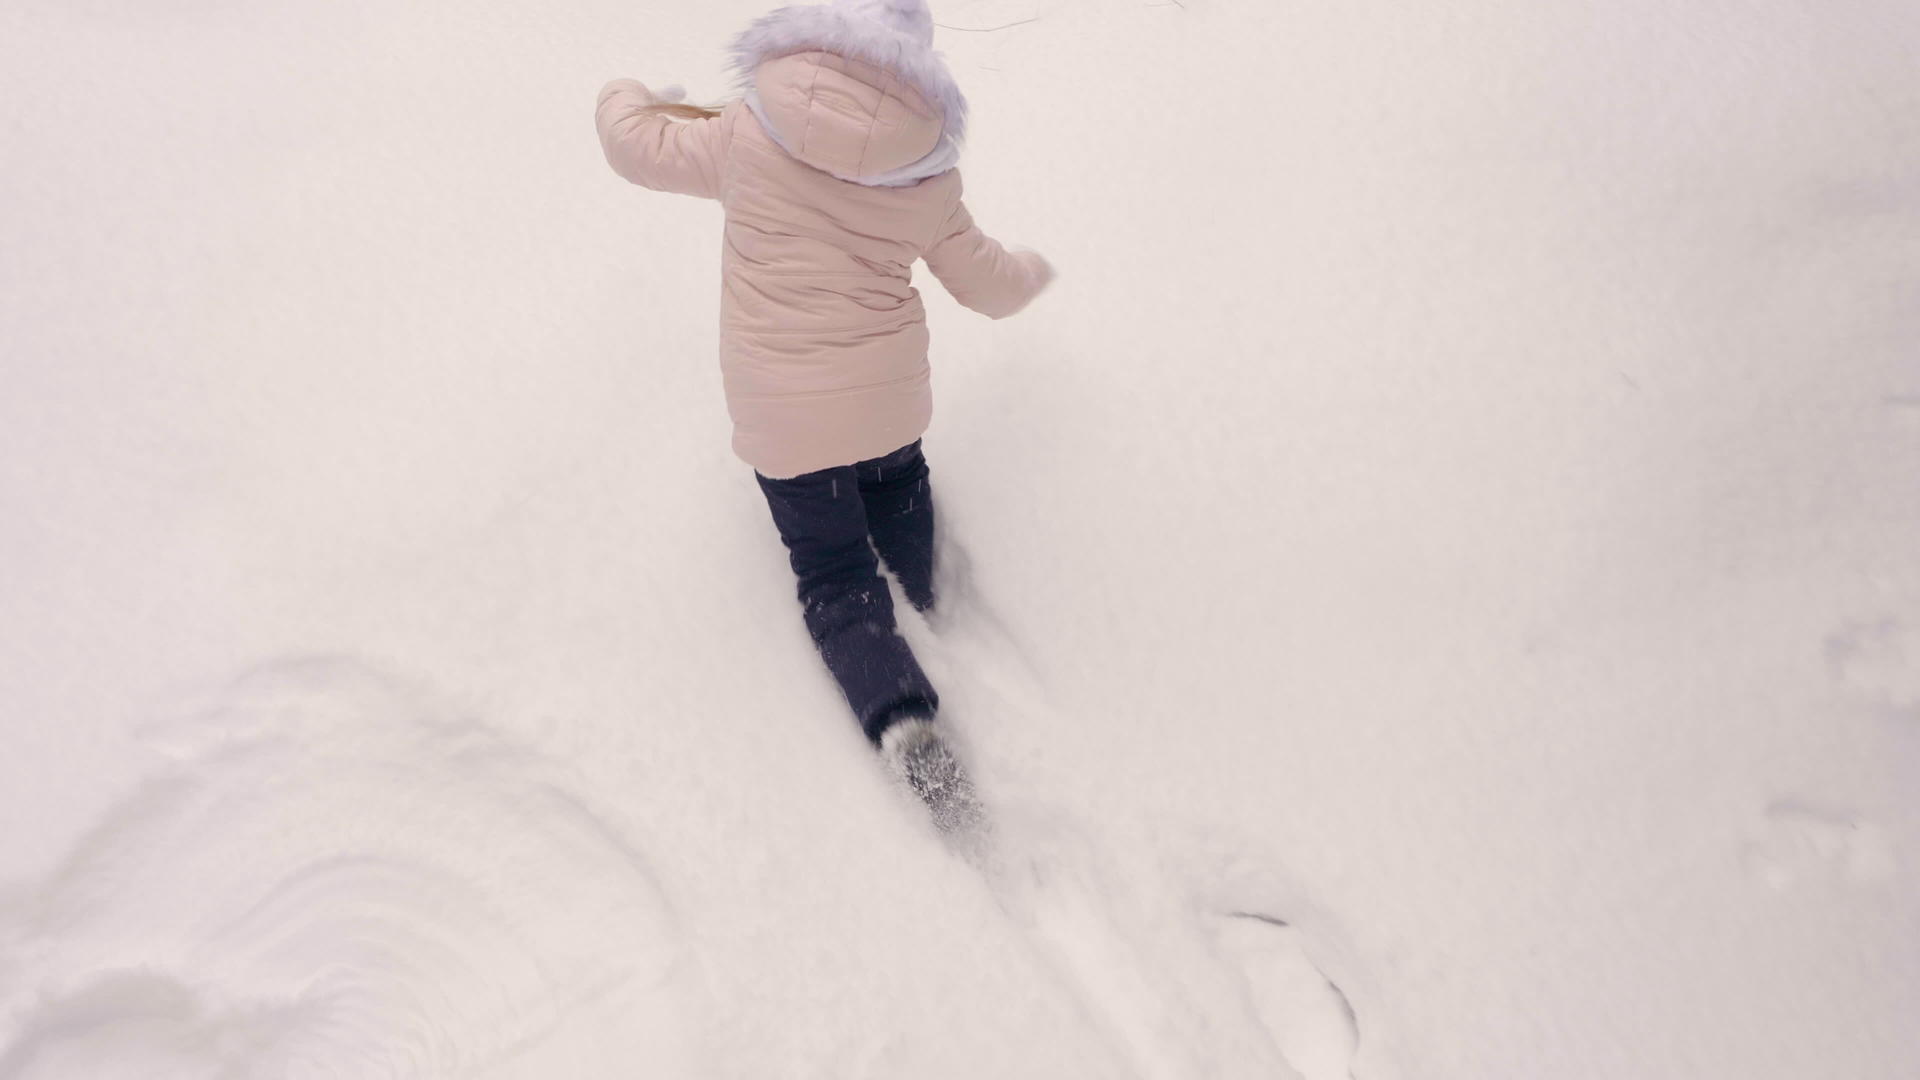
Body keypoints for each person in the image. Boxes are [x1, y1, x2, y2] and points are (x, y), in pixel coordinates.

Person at [594, 0, 1053, 826]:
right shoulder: (926, 176)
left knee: (834, 575)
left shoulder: (744, 131)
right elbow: (986, 280)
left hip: (784, 422)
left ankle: (901, 712)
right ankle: (920, 589)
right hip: (887, 403)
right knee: (898, 486)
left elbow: (636, 148)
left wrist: (623, 93)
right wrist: (1032, 273)